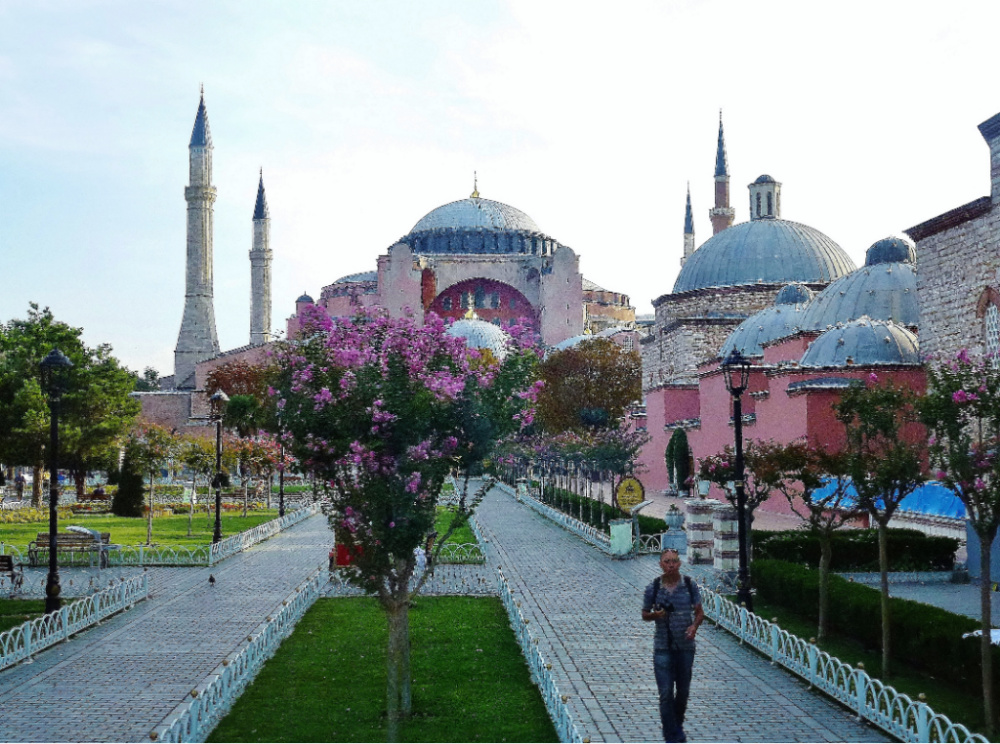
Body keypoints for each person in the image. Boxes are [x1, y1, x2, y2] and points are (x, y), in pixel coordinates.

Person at [642, 548, 705, 743]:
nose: (671, 565)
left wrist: (694, 626)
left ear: (679, 563)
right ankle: (672, 736)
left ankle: (675, 725)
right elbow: (644, 614)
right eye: (667, 561)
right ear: (660, 564)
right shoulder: (653, 587)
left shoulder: (689, 585)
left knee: (683, 692)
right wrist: (656, 615)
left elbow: (700, 612)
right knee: (666, 693)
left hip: (685, 647)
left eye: (674, 561)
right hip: (662, 647)